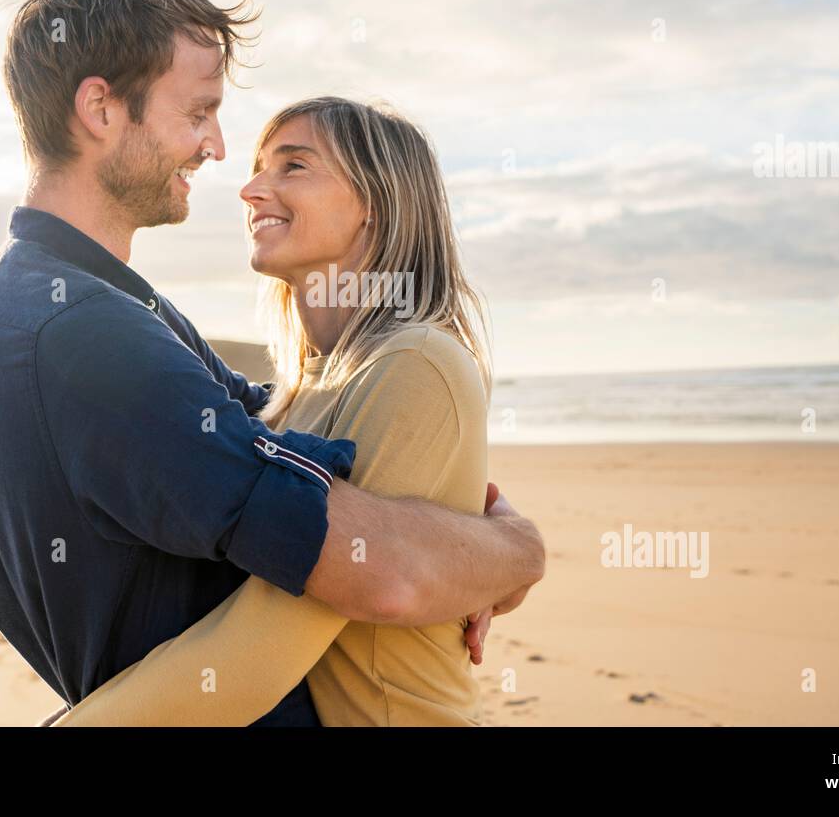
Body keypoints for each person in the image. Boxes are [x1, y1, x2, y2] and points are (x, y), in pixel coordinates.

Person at [0, 0, 546, 726]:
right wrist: (512, 552)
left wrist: (454, 516)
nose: (218, 150)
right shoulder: (84, 335)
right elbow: (371, 568)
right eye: (198, 111)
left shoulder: (89, 310)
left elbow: (282, 421)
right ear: (100, 108)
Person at [53, 97, 525, 726]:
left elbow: (262, 648)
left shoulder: (417, 364)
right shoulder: (299, 391)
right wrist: (505, 555)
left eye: (293, 167)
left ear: (377, 204)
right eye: (258, 168)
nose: (251, 190)